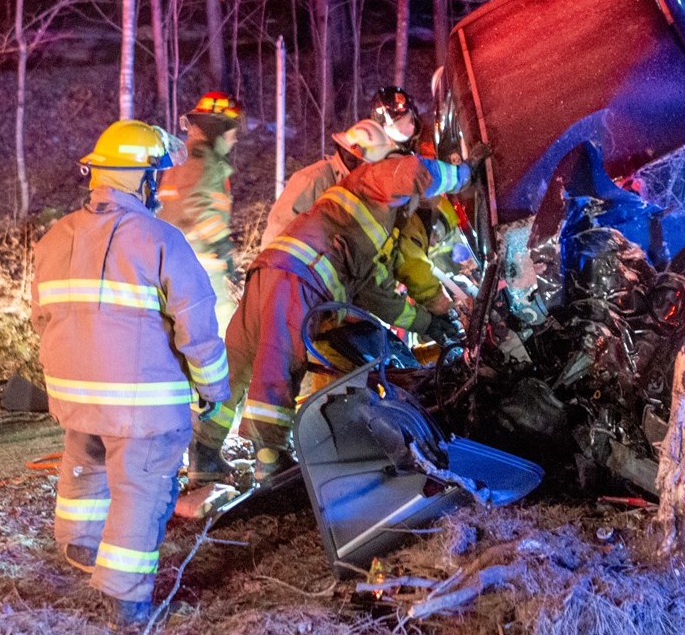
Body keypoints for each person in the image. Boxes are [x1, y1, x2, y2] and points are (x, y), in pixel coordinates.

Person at [30, 119, 230, 631]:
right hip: (143, 409)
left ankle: (78, 551)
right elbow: (197, 323)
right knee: (142, 490)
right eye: (154, 176)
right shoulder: (160, 238)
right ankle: (125, 601)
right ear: (137, 178)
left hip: (77, 401)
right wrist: (213, 389)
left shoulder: (55, 236)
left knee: (86, 467)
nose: (158, 186)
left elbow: (41, 317)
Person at [207, 142, 489, 479]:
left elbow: (377, 296)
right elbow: (415, 172)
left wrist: (429, 323)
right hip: (300, 277)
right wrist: (465, 175)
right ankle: (269, 459)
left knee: (235, 363)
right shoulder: (374, 180)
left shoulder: (375, 229)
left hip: (272, 270)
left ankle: (202, 455)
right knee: (279, 364)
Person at [260, 86, 419, 247]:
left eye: (410, 122)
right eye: (401, 125)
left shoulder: (373, 187)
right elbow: (273, 245)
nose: (409, 129)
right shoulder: (314, 180)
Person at [156, 91, 242, 333]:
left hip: (177, 256)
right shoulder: (203, 159)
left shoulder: (185, 156)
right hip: (199, 258)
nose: (234, 141)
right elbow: (198, 204)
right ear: (217, 129)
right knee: (222, 323)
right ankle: (228, 371)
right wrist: (223, 245)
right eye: (232, 133)